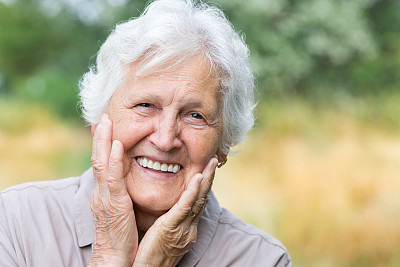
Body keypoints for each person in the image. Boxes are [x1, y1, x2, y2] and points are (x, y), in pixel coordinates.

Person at [0, 0, 291, 266]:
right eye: (146, 105)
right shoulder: (15, 223)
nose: (165, 140)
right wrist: (109, 259)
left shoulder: (261, 259)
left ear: (223, 145)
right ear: (99, 121)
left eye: (195, 116)